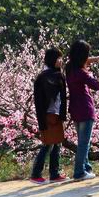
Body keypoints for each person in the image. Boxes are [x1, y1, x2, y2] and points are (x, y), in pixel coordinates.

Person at [66, 40, 99, 182]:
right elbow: (97, 85)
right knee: (84, 143)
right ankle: (79, 172)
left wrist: (98, 58)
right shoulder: (82, 73)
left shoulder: (69, 67)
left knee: (83, 141)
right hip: (85, 108)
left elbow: (82, 61)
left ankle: (86, 168)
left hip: (74, 109)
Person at [31, 48, 68, 184]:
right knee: (48, 144)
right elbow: (41, 99)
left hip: (57, 114)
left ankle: (54, 173)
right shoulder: (45, 77)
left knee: (57, 144)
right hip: (48, 115)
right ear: (52, 59)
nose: (61, 60)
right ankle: (36, 174)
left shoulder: (57, 75)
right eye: (58, 58)